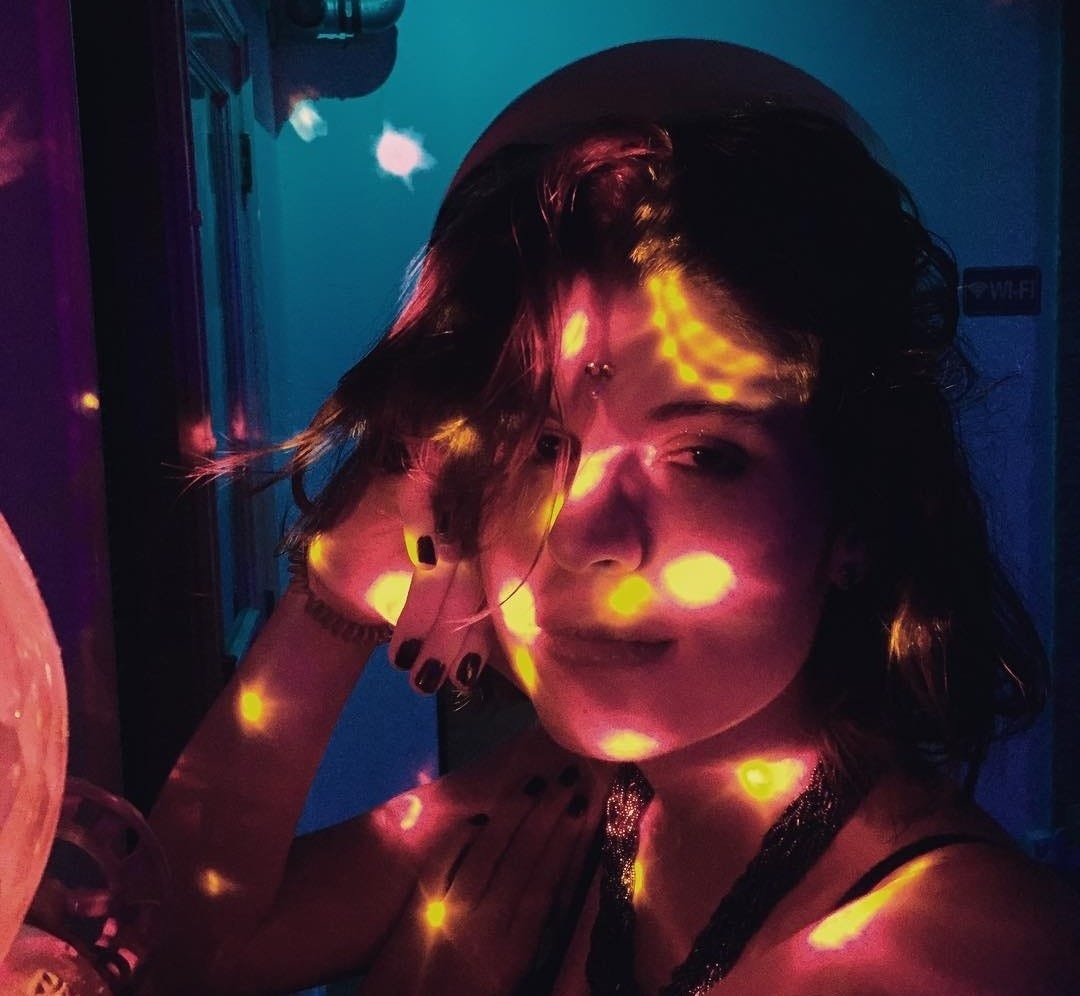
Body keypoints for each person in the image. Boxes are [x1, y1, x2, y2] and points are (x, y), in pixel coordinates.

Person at [147, 42, 1080, 996]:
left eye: (705, 455)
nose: (586, 535)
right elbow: (168, 948)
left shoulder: (960, 951)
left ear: (857, 512)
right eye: (539, 443)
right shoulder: (558, 806)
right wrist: (338, 588)